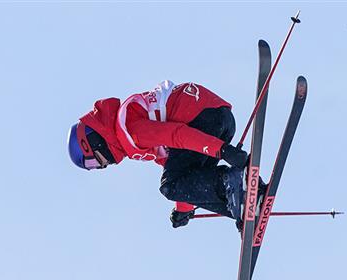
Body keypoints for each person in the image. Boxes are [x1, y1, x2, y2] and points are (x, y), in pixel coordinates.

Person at [66, 80, 265, 230]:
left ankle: (236, 184)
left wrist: (220, 150)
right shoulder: (130, 132)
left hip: (203, 119)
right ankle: (249, 202)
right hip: (218, 118)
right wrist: (184, 208)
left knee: (169, 186)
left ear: (93, 141)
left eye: (92, 161)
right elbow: (183, 170)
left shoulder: (129, 130)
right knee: (183, 181)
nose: (100, 166)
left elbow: (177, 135)